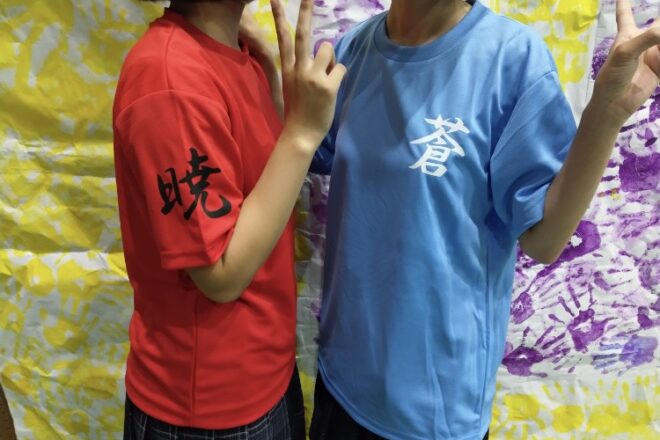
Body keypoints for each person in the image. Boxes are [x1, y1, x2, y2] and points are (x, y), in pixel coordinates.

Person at [309, 0, 660, 439]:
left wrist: (606, 113)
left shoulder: (511, 59)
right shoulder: (352, 50)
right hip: (340, 379)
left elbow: (543, 239)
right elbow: (315, 153)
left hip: (433, 409)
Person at [113, 0, 345, 438]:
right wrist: (302, 133)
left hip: (267, 372)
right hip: (209, 406)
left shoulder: (238, 54)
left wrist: (275, 85)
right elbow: (221, 274)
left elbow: (258, 190)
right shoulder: (170, 79)